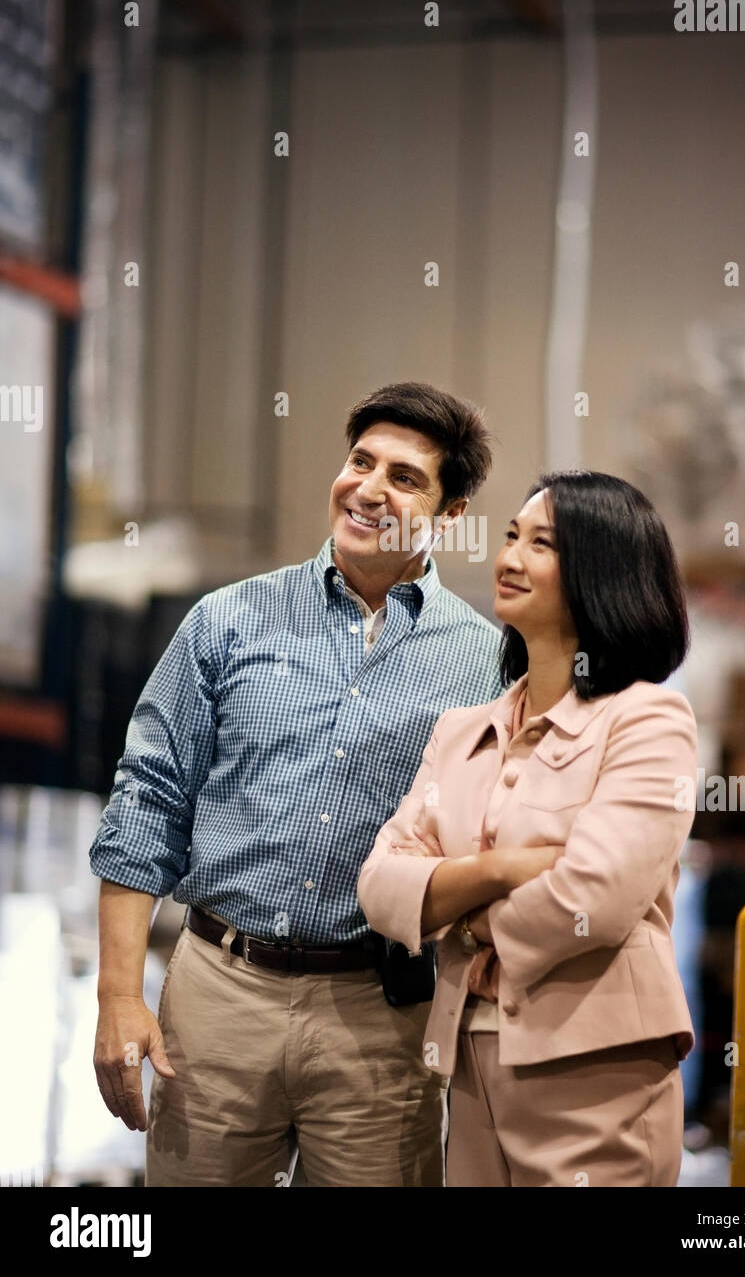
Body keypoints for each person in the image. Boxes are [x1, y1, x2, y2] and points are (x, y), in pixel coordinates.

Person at [90, 382, 503, 1187]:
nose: (368, 489)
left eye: (405, 478)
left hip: (379, 1017)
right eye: (361, 461)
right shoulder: (228, 619)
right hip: (218, 996)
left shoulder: (484, 664)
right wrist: (118, 995)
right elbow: (146, 802)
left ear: (451, 514)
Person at [358, 470, 698, 1187]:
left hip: (597, 1071)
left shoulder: (647, 719)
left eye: (542, 544)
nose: (509, 557)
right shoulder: (461, 731)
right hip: (469, 1066)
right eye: (512, 536)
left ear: (603, 573)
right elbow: (382, 885)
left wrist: (459, 917)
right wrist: (501, 871)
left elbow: (593, 897)